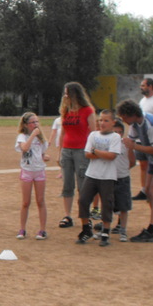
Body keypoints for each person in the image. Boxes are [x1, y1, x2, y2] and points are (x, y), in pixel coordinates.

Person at [117, 98, 153, 243]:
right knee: (148, 191)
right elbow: (130, 142)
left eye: (124, 117)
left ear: (131, 114)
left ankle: (152, 229)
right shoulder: (135, 123)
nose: (123, 120)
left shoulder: (151, 124)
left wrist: (134, 147)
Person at [75, 110, 121, 247]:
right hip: (92, 174)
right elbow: (87, 154)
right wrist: (102, 153)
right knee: (83, 200)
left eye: (106, 120)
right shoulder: (93, 135)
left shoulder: (115, 137)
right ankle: (86, 229)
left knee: (106, 203)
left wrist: (96, 151)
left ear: (113, 122)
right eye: (100, 120)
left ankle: (105, 231)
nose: (102, 123)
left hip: (107, 176)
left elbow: (112, 156)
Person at [58, 82, 97, 229]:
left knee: (83, 185)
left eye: (67, 93)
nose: (65, 95)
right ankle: (67, 215)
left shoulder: (87, 110)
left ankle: (85, 215)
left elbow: (93, 132)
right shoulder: (66, 110)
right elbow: (62, 133)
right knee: (67, 184)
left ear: (75, 94)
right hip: (67, 150)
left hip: (81, 150)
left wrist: (91, 152)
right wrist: (60, 152)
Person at [15, 112, 49, 240]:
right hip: (27, 171)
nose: (35, 124)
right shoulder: (22, 137)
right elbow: (24, 148)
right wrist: (33, 135)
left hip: (39, 171)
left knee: (40, 200)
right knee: (25, 202)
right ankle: (22, 229)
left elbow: (42, 153)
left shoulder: (41, 138)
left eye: (36, 122)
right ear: (26, 124)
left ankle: (42, 230)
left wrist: (44, 157)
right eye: (32, 122)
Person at [109, 119, 135, 242]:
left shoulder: (125, 144)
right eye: (115, 132)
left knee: (123, 205)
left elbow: (132, 161)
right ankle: (106, 227)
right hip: (109, 177)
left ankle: (123, 229)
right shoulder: (107, 143)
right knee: (108, 204)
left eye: (120, 132)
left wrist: (124, 170)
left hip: (122, 177)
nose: (117, 134)